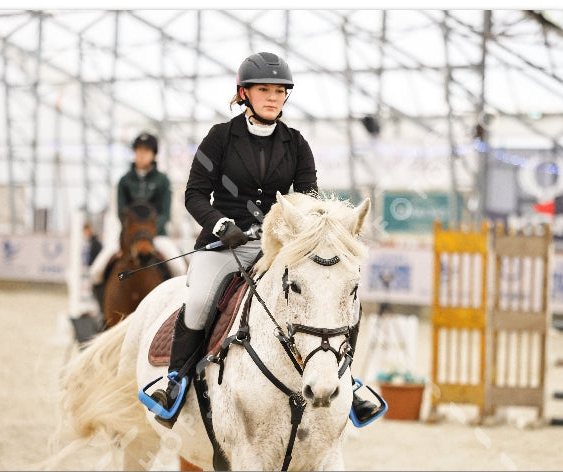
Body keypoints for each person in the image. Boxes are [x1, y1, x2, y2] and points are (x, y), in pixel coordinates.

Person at [149, 51, 385, 429]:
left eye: (279, 91)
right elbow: (194, 194)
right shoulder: (220, 138)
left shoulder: (296, 143)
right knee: (198, 301)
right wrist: (220, 223)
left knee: (332, 293)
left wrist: (298, 230)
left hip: (279, 247)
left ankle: (347, 380)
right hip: (225, 244)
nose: (273, 97)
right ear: (244, 93)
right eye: (264, 90)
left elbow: (308, 198)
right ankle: (174, 380)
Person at [89, 132, 184, 306]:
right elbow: (121, 212)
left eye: (146, 151)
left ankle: (175, 311)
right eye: (138, 151)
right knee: (96, 271)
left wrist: (149, 232)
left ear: (154, 155)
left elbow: (165, 214)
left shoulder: (162, 180)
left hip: (157, 236)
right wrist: (134, 234)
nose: (141, 155)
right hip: (128, 238)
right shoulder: (125, 181)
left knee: (179, 268)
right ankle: (102, 313)